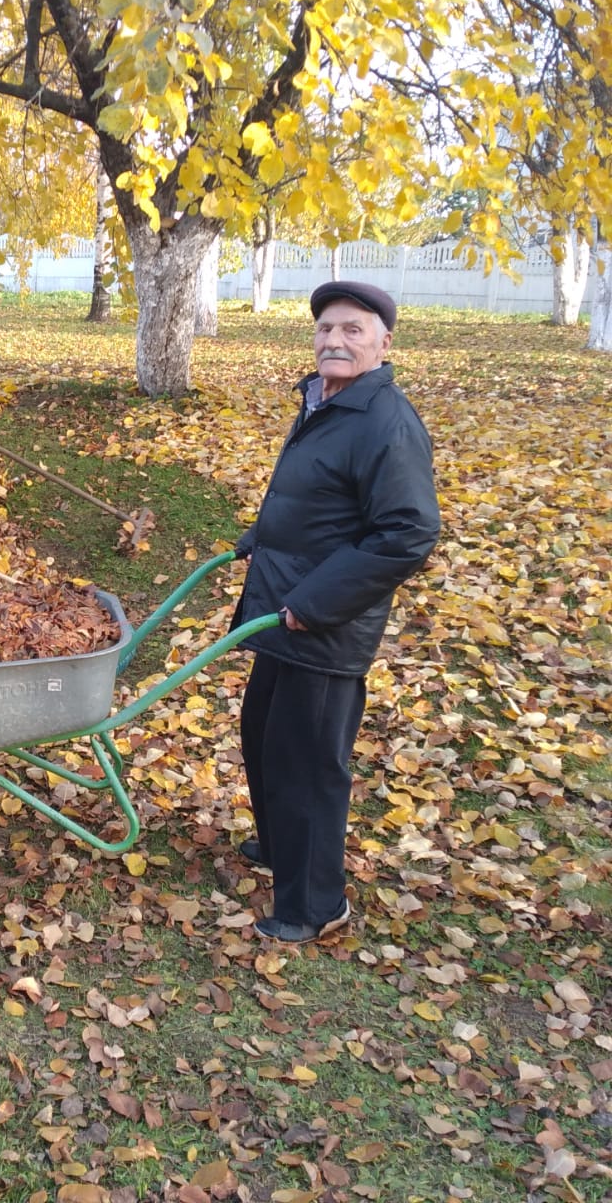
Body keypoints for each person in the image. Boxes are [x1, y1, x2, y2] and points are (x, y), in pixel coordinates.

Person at [231, 280, 440, 943]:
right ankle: (281, 850)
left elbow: (407, 532)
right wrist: (260, 540)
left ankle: (316, 905)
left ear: (384, 342)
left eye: (353, 330)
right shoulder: (326, 401)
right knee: (263, 732)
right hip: (288, 602)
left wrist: (317, 603)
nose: (335, 340)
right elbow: (319, 501)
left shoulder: (385, 421)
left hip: (325, 623)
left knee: (308, 763)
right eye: (326, 328)